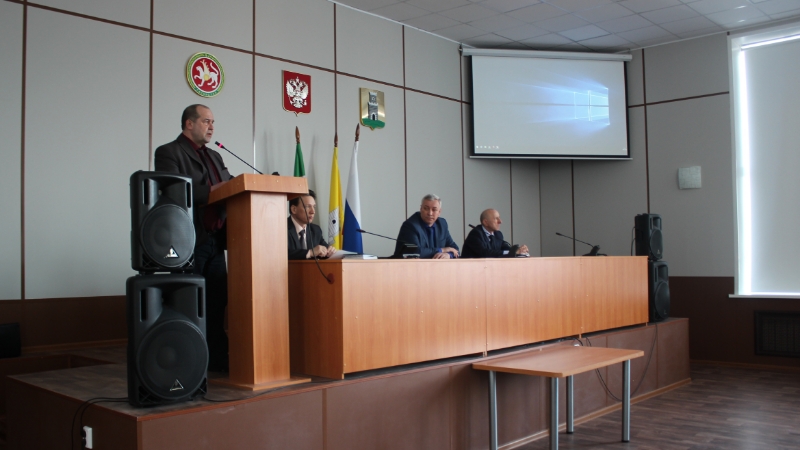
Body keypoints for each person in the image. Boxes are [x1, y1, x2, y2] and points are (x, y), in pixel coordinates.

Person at [154, 104, 233, 372]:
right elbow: (175, 191)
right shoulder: (169, 152)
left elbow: (231, 184)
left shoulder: (216, 157)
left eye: (213, 122)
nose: (212, 127)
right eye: (206, 121)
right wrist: (214, 189)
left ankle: (218, 361)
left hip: (216, 241)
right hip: (189, 240)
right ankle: (190, 360)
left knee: (217, 302)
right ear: (189, 123)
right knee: (190, 303)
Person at [394, 194, 459, 259]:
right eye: (426, 208)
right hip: (409, 264)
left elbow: (455, 249)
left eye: (434, 210)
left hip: (435, 265)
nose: (430, 213)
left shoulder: (442, 224)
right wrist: (442, 250)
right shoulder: (410, 225)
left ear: (439, 212)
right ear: (421, 209)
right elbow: (416, 252)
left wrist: (448, 254)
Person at [287, 189, 336, 260]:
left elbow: (324, 250)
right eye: (307, 206)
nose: (313, 211)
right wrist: (310, 252)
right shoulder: (281, 229)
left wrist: (330, 252)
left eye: (314, 207)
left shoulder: (315, 230)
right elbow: (281, 254)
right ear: (294, 209)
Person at [461, 209, 529, 258]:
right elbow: (485, 253)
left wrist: (519, 250)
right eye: (496, 219)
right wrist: (511, 252)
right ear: (485, 222)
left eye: (499, 218)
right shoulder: (475, 234)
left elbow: (505, 248)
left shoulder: (498, 234)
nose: (500, 221)